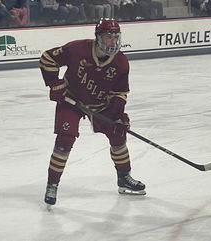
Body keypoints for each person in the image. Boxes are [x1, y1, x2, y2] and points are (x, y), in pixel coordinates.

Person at [40, 18, 146, 206]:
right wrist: (54, 83)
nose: (113, 41)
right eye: (108, 37)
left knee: (118, 137)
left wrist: (117, 114)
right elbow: (48, 57)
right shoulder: (77, 49)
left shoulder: (121, 62)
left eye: (115, 37)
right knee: (65, 139)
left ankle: (124, 177)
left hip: (99, 105)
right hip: (71, 100)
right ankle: (52, 184)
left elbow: (120, 92)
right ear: (98, 37)